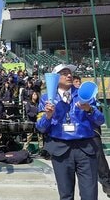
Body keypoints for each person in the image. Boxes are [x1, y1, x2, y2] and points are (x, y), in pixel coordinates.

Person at [36, 64, 105, 200]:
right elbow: (40, 127)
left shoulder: (84, 95)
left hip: (85, 149)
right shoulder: (46, 98)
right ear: (55, 77)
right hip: (60, 150)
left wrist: (89, 109)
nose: (69, 75)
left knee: (90, 195)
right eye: (64, 73)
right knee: (66, 194)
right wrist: (48, 116)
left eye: (70, 73)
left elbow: (100, 120)